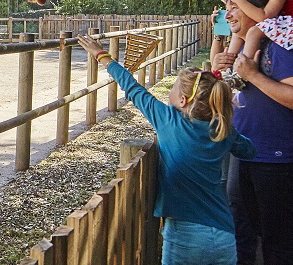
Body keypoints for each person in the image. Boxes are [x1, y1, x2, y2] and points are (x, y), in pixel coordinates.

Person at [80, 35, 257, 265]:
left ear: (182, 100)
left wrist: (102, 56)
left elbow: (133, 89)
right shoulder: (222, 129)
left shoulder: (168, 120)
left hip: (185, 235)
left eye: (173, 88)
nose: (169, 93)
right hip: (223, 235)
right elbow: (249, 151)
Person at [212, 0, 293, 265]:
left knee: (280, 237)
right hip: (244, 152)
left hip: (277, 158)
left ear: (254, 10)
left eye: (234, 7)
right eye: (227, 9)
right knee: (241, 226)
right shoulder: (243, 51)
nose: (229, 14)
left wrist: (254, 75)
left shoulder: (281, 49)